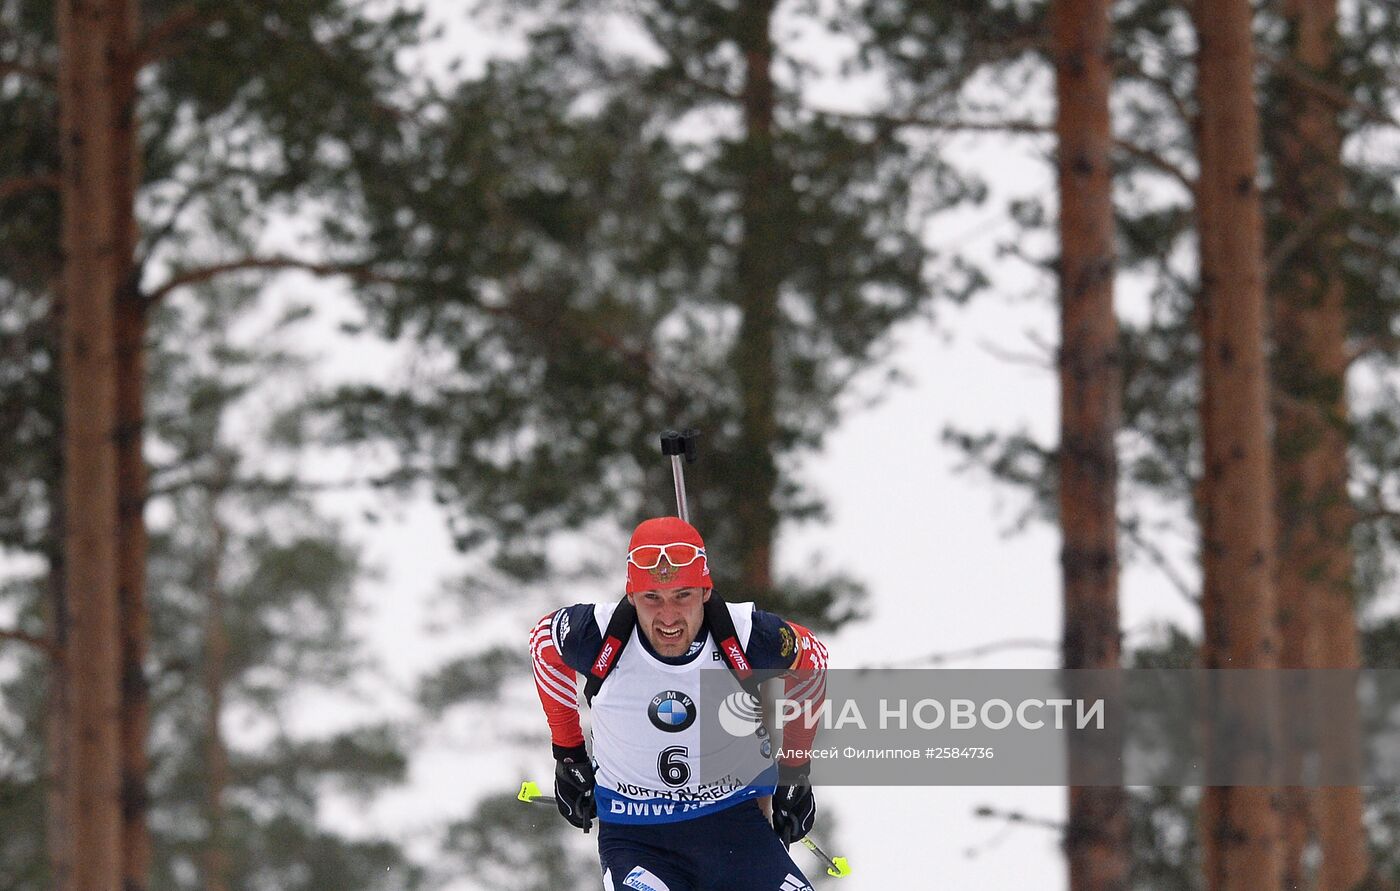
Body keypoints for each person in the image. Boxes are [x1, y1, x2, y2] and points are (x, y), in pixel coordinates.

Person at [530, 516, 829, 891]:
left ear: (705, 592)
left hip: (736, 828)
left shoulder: (746, 634)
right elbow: (543, 643)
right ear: (631, 595)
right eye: (652, 597)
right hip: (638, 835)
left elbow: (813, 658)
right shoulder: (598, 634)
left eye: (682, 595)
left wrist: (795, 769)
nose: (668, 616)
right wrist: (568, 753)